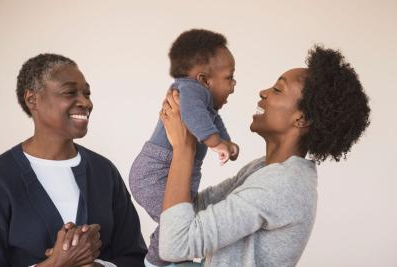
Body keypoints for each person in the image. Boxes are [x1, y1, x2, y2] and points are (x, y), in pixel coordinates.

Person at [157, 46, 371, 267]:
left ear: (301, 119)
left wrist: (184, 148)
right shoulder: (265, 169)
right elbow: (194, 207)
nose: (263, 92)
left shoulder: (282, 185)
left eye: (278, 89)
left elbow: (175, 244)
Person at [0, 54, 147, 266]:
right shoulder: (2, 177)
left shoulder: (103, 171)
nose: (85, 102)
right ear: (32, 99)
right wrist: (57, 263)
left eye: (87, 93)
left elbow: (135, 256)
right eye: (69, 93)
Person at [129, 29, 238, 266]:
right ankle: (157, 262)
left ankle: (159, 260)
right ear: (203, 80)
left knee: (177, 221)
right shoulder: (189, 90)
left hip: (178, 172)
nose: (233, 86)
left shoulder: (204, 99)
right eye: (229, 77)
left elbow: (213, 121)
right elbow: (192, 116)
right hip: (155, 173)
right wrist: (216, 143)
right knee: (179, 225)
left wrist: (226, 142)